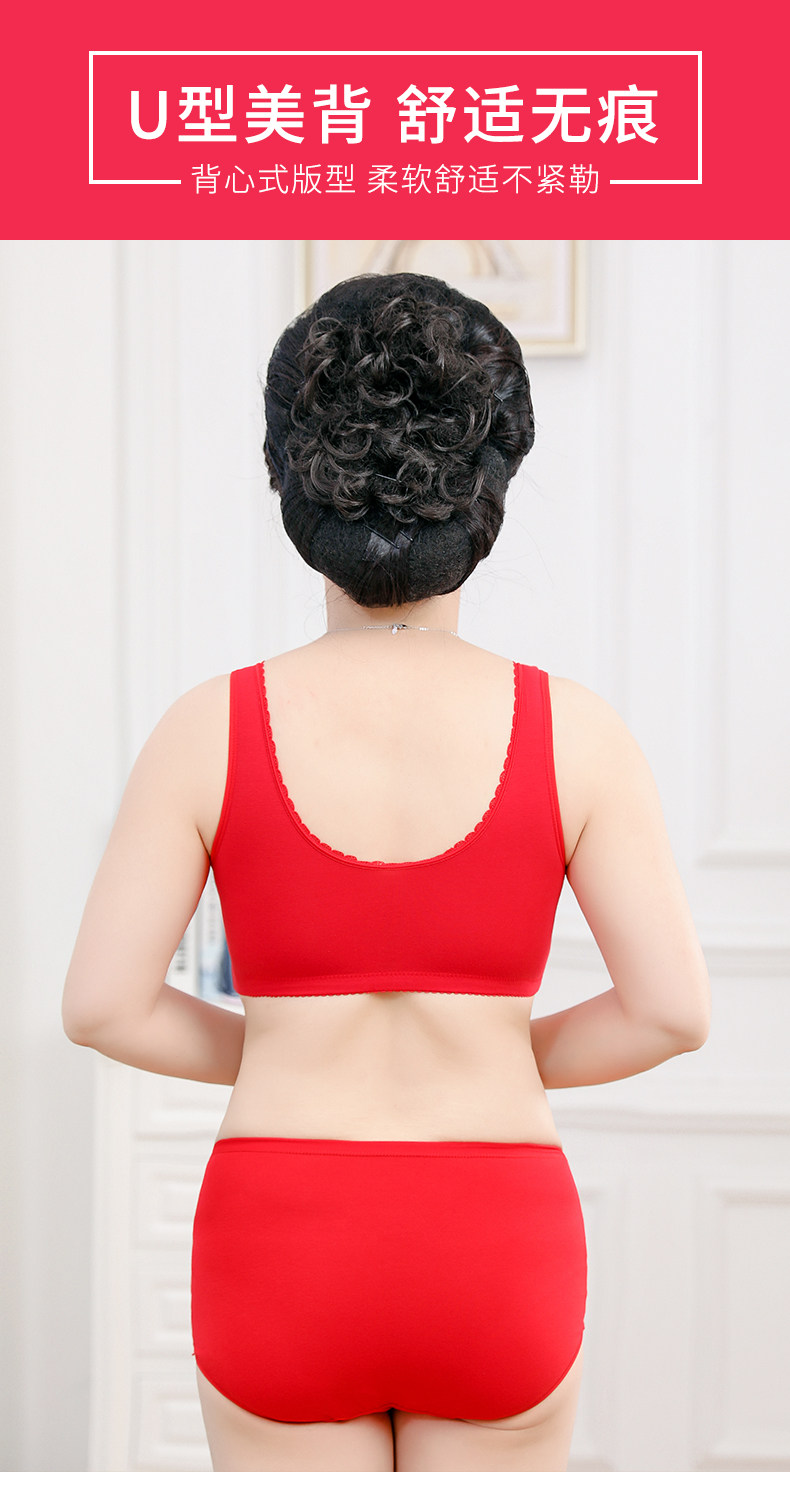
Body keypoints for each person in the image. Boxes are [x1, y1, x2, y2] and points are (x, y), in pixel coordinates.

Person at [62, 271, 711, 1473]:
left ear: (294, 484)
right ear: (487, 489)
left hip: (280, 1239)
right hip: (495, 1241)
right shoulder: (579, 734)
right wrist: (494, 1049)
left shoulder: (205, 730)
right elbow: (672, 1012)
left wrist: (287, 1044)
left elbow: (101, 1006)